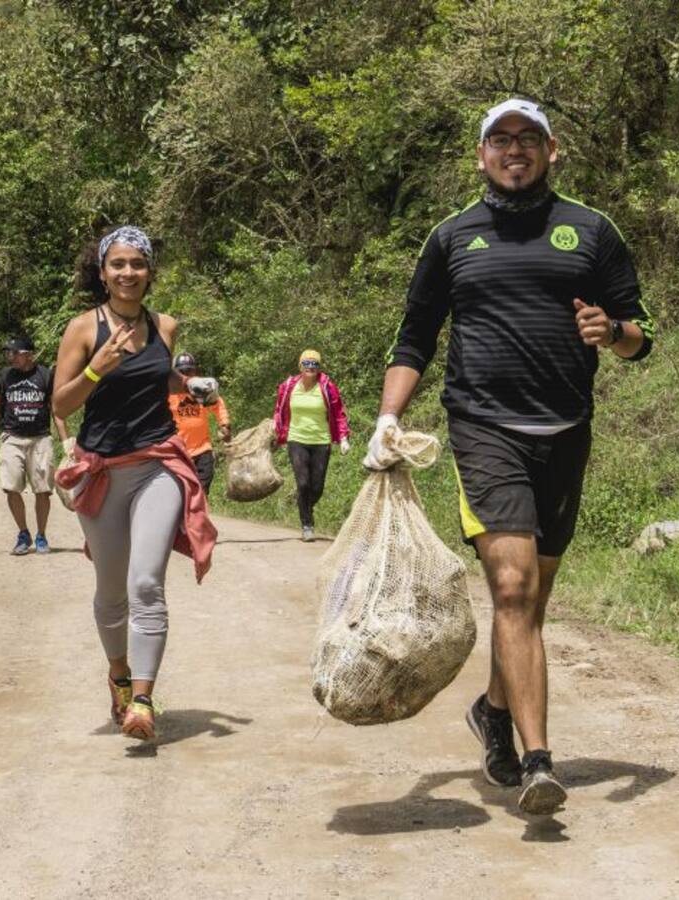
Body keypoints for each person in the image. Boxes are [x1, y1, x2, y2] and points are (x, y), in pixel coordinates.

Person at [364, 98, 656, 815]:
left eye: (529, 138)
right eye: (501, 139)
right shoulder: (452, 237)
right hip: (484, 429)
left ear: (552, 151)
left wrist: (612, 331)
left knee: (529, 601)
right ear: (481, 155)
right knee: (514, 588)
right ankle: (539, 763)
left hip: (567, 432)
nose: (514, 149)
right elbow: (415, 337)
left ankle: (494, 710)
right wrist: (387, 418)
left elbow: (640, 335)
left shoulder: (591, 230)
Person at [54, 225, 219, 742]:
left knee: (146, 583)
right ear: (103, 273)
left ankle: (143, 701)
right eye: (118, 264)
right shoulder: (83, 329)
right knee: (111, 589)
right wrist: (97, 370)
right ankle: (120, 675)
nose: (129, 272)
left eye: (138, 264)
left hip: (157, 463)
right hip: (102, 471)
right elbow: (60, 403)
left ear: (150, 272)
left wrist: (186, 383)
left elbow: (155, 373)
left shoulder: (164, 325)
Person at [0, 336, 69, 555]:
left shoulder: (46, 376)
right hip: (12, 437)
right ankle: (23, 533)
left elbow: (56, 409)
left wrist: (66, 441)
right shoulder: (3, 376)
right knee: (11, 487)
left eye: (14, 353)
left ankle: (41, 535)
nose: (10, 357)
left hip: (40, 439)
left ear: (28, 355)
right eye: (8, 353)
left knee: (43, 490)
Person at [272, 349, 351, 541]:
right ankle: (307, 525)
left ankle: (305, 506)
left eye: (314, 364)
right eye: (306, 363)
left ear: (319, 367)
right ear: (300, 366)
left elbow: (339, 413)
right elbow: (279, 409)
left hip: (321, 441)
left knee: (317, 487)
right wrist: (276, 426)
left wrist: (343, 438)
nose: (310, 367)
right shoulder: (289, 386)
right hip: (296, 439)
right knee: (303, 483)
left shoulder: (327, 387)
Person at [168, 351, 231, 496]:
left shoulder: (200, 389)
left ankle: (199, 509)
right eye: (182, 372)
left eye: (189, 371)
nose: (186, 375)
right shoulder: (169, 394)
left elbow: (217, 404)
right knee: (181, 492)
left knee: (202, 490)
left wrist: (225, 424)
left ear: (195, 371)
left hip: (203, 449)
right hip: (179, 452)